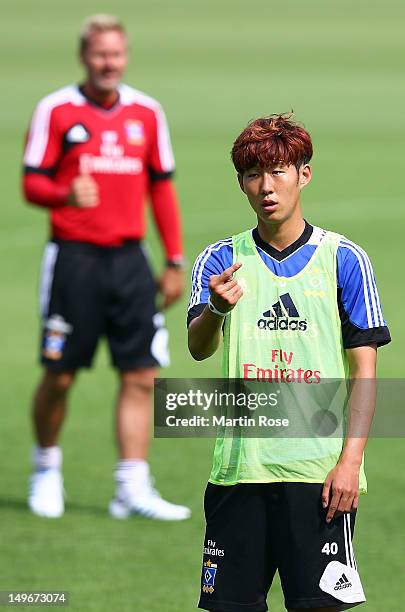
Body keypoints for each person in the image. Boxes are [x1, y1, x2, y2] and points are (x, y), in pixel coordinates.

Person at [188, 115, 390, 611]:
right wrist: (217, 309)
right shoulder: (219, 260)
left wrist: (350, 462)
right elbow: (198, 348)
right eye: (254, 175)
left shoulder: (345, 259)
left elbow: (365, 370)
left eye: (278, 171)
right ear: (241, 184)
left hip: (319, 479)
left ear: (304, 174)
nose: (266, 186)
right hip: (240, 474)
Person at [23, 14, 190, 521]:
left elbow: (161, 187)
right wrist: (62, 192)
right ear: (84, 56)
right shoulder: (55, 110)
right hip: (73, 259)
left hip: (129, 260)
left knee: (141, 374)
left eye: (116, 54)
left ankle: (131, 487)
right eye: (99, 54)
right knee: (61, 375)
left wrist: (175, 259)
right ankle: (46, 469)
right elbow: (31, 184)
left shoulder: (147, 112)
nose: (108, 63)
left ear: (126, 56)